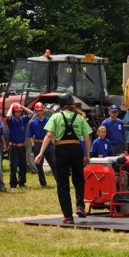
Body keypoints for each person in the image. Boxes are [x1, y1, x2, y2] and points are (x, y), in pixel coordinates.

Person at [35, 93, 92, 224]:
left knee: (62, 183)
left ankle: (68, 216)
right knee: (79, 179)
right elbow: (87, 138)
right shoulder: (80, 117)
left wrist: (40, 153)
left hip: (61, 149)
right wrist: (87, 155)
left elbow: (49, 135)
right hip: (76, 149)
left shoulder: (56, 116)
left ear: (60, 105)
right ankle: (80, 206)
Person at [28, 102, 57, 187]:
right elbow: (30, 135)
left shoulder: (49, 120)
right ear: (36, 111)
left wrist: (53, 143)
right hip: (37, 144)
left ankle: (59, 182)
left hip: (48, 145)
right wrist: (33, 144)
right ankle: (43, 184)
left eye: (41, 110)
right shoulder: (32, 123)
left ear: (43, 110)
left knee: (53, 164)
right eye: (38, 111)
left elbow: (53, 133)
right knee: (39, 166)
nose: (39, 112)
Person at [6, 103, 34, 189]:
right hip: (13, 146)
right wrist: (11, 106)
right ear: (14, 112)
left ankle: (22, 182)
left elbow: (31, 114)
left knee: (23, 165)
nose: (19, 113)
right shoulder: (11, 121)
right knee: (13, 166)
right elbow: (8, 116)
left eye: (20, 112)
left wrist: (22, 107)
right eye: (17, 112)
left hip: (22, 146)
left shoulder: (22, 120)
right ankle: (13, 184)